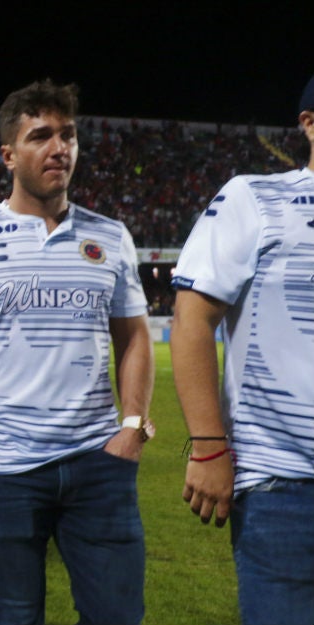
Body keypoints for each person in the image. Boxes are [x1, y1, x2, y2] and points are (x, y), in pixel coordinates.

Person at [0, 79, 155, 625]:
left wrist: (135, 424)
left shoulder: (110, 236)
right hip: (5, 466)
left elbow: (135, 336)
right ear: (8, 155)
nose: (59, 148)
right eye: (41, 136)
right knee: (16, 615)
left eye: (67, 135)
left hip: (99, 462)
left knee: (119, 614)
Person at [169, 74, 314, 625]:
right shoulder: (255, 197)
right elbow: (192, 320)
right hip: (284, 486)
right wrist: (208, 446)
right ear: (308, 123)